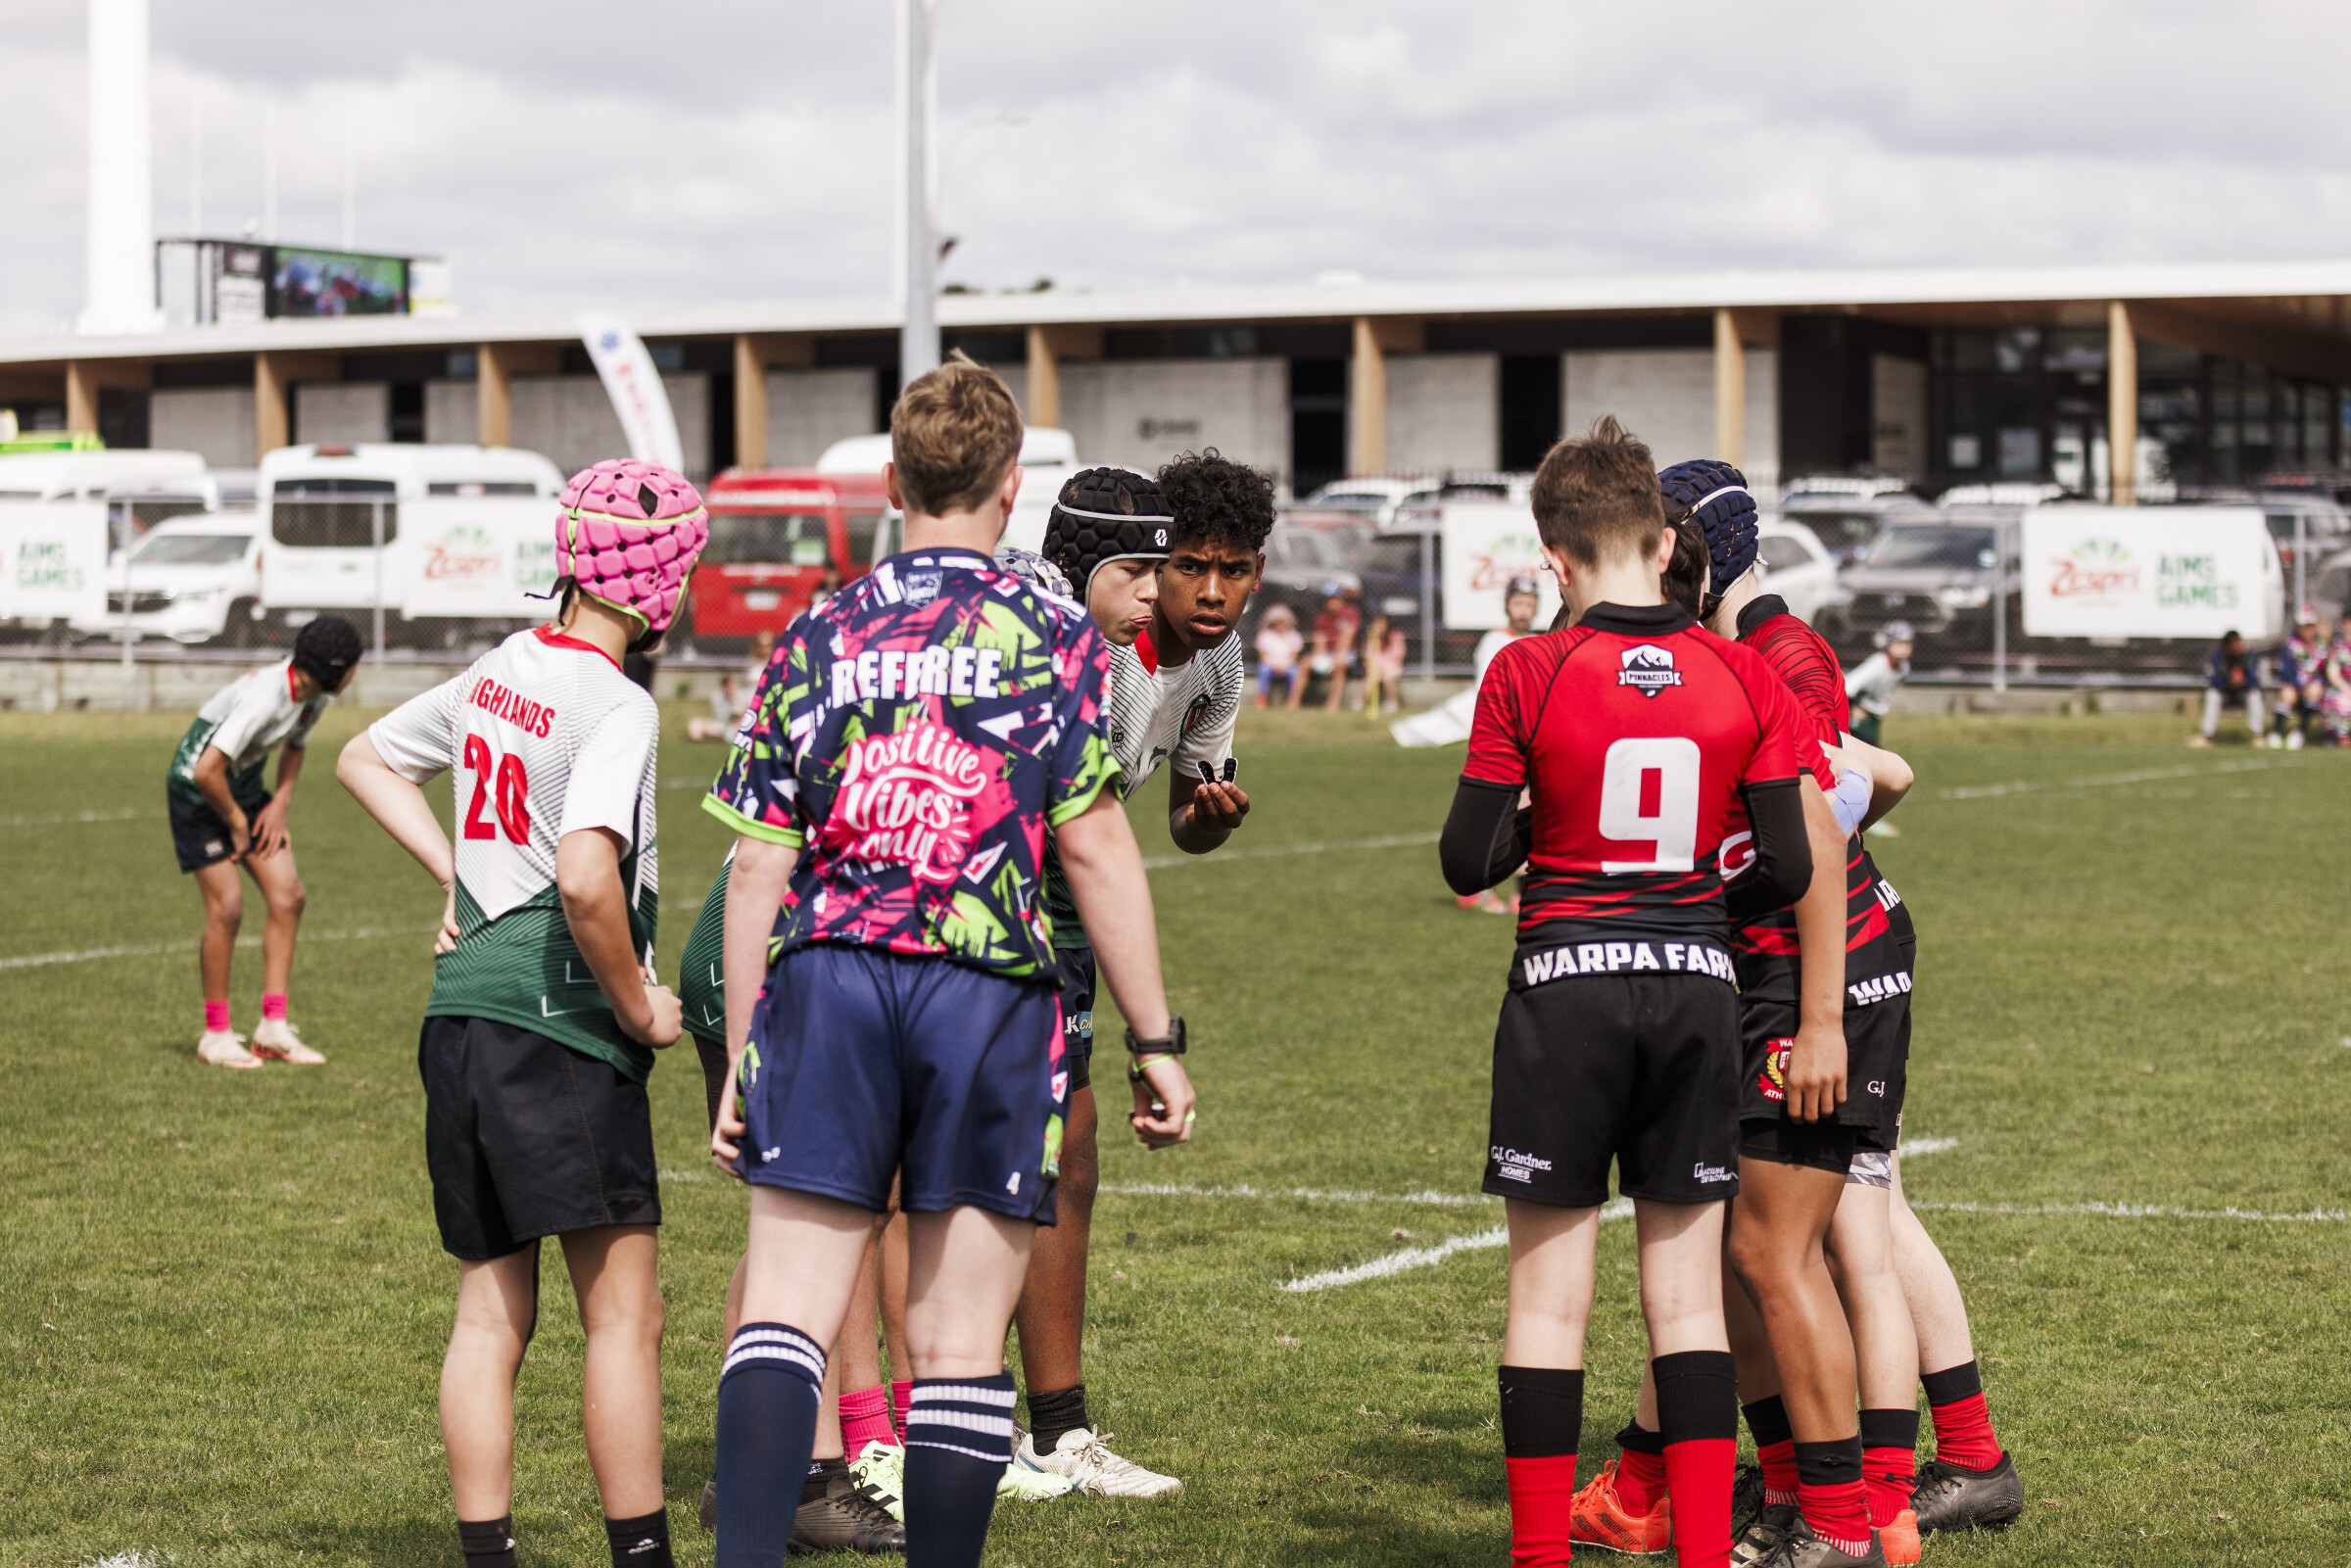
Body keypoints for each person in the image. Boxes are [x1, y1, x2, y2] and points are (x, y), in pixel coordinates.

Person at [702, 354, 1196, 1568]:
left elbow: (758, 865)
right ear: (1011, 486)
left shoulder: (816, 630)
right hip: (986, 989)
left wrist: (747, 1052)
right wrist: (1155, 1039)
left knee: (783, 1315)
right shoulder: (1054, 631)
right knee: (962, 1341)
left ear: (892, 480)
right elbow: (1095, 846)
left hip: (830, 975)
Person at [1440, 417, 1817, 1568]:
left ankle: (1540, 1556)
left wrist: (1549, 821)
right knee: (1688, 1298)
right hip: (1696, 985)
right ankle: (1701, 1551)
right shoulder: (1743, 671)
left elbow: (1466, 858)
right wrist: (1695, 879)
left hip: (1566, 986)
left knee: (1548, 1298)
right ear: (1664, 543)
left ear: (1554, 559)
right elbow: (1790, 865)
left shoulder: (1527, 668)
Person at [335, 458, 710, 1568]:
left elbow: (364, 758)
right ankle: (641, 1553)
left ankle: (487, 1553)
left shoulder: (501, 664)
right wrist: (640, 1007)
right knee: (624, 1316)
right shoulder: (619, 701)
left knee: (490, 1312)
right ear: (659, 583)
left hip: (458, 1019)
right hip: (559, 1027)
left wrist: (455, 877)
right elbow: (588, 879)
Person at [1007, 453, 1262, 1496]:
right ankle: (909, 1428)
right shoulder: (1091, 647)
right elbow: (1076, 826)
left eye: (1233, 569)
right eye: (1186, 565)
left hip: (1071, 923)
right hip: (1000, 915)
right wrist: (1155, 1034)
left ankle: (1052, 1432)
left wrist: (1206, 821)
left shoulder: (1220, 665)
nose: (1207, 591)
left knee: (1068, 1160)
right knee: (985, 1164)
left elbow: (1176, 819)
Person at [168, 615, 363, 1068]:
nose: (357, 673)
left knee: (287, 897)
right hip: (198, 793)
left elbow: (296, 744)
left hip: (243, 792)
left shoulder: (313, 694)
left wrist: (279, 805)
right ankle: (216, 1036)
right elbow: (205, 770)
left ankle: (273, 1029)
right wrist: (238, 824)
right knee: (228, 906)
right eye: (355, 665)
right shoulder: (264, 698)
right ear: (335, 670)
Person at [2191, 630, 2263, 747]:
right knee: (2212, 696)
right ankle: (2206, 736)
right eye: (2234, 644)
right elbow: (2213, 680)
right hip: (2224, 693)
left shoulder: (2249, 656)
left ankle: (2258, 736)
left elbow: (2255, 678)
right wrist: (2229, 681)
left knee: (2254, 695)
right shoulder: (2218, 657)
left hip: (2243, 692)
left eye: (2239, 643)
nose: (2238, 646)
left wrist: (2243, 679)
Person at [1844, 626, 1911, 746]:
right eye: (1898, 643)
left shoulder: (1904, 667)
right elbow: (1847, 688)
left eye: (1907, 644)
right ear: (1888, 644)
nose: (1903, 648)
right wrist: (1853, 708)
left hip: (1874, 717)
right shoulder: (1878, 664)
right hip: (1859, 720)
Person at [1310, 587, 1361, 711]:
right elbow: (1319, 640)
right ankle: (1293, 702)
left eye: (1335, 599)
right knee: (1305, 664)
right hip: (1328, 654)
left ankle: (1333, 704)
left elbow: (1346, 639)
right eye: (1329, 599)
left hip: (1347, 653)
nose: (1332, 602)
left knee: (1339, 665)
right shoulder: (1321, 617)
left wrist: (1336, 656)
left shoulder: (1350, 613)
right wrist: (1319, 657)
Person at [1254, 603, 1304, 707]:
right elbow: (1263, 656)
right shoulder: (1265, 635)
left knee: (1294, 672)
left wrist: (1284, 667)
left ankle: (1291, 699)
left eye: (1282, 621)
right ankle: (1262, 697)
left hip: (1287, 665)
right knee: (1263, 670)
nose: (1280, 624)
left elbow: (1294, 656)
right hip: (1270, 665)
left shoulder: (1294, 636)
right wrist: (1274, 666)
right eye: (1278, 621)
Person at [1363, 611, 1409, 715]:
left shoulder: (1396, 636)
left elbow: (1399, 655)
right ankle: (1361, 701)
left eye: (1382, 623)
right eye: (1377, 623)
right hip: (1375, 667)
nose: (1379, 626)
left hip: (1391, 666)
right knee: (1370, 678)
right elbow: (1367, 655)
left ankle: (1392, 702)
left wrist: (1383, 666)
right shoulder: (1372, 637)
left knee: (1388, 677)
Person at [688, 672, 747, 742]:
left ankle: (723, 737)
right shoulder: (717, 696)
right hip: (719, 726)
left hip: (734, 727)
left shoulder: (741, 696)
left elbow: (741, 717)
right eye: (726, 686)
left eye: (731, 685)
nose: (729, 688)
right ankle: (703, 740)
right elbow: (719, 718)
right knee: (695, 723)